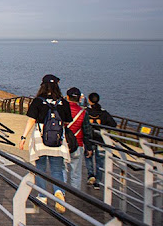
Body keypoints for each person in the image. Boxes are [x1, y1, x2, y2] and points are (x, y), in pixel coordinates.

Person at [18, 74, 72, 213]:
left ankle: (42, 196)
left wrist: (23, 137)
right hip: (58, 139)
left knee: (40, 168)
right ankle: (59, 192)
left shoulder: (38, 101)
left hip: (40, 138)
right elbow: (67, 122)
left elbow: (31, 120)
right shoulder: (63, 102)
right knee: (56, 169)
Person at [84, 93, 115, 189]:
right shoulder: (104, 112)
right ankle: (97, 182)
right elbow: (113, 124)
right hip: (101, 140)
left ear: (89, 100)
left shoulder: (86, 111)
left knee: (88, 157)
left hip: (89, 138)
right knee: (100, 162)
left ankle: (90, 174)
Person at [65, 87, 88, 190]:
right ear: (79, 99)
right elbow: (87, 131)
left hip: (63, 143)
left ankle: (61, 192)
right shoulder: (83, 113)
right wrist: (90, 147)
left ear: (67, 97)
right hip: (77, 144)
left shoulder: (61, 110)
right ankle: (75, 193)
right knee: (76, 172)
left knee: (62, 170)